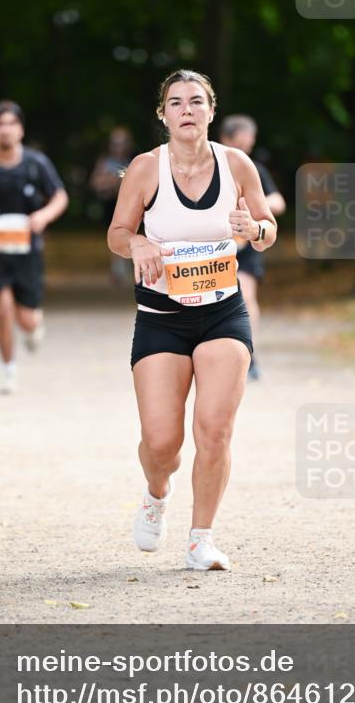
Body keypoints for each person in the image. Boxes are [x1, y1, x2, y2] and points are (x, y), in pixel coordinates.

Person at [108, 70, 277, 571]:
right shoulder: (145, 168)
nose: (187, 109)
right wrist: (136, 242)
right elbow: (117, 233)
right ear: (163, 114)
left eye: (196, 101)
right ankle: (157, 493)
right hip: (161, 318)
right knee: (162, 443)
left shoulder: (236, 164)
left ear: (211, 110)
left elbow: (267, 231)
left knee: (215, 430)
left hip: (223, 314)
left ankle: (201, 539)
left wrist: (255, 227)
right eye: (176, 102)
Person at [0, 100, 69, 393]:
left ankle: (34, 326)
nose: (5, 130)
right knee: (3, 310)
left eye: (11, 124)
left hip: (27, 253)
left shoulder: (36, 164)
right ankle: (9, 370)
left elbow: (60, 197)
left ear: (20, 130)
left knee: (26, 319)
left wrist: (43, 216)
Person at [219, 115, 286, 381]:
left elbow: (278, 202)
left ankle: (248, 355)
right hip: (214, 247)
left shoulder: (254, 168)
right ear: (227, 138)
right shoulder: (209, 166)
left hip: (246, 246)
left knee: (246, 298)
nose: (250, 141)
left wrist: (254, 210)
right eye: (245, 135)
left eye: (251, 136)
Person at [89, 127, 135, 284]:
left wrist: (113, 180)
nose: (118, 146)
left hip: (133, 205)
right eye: (115, 142)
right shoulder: (105, 160)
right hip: (111, 204)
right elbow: (96, 183)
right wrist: (116, 181)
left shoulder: (136, 160)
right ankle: (118, 268)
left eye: (122, 142)